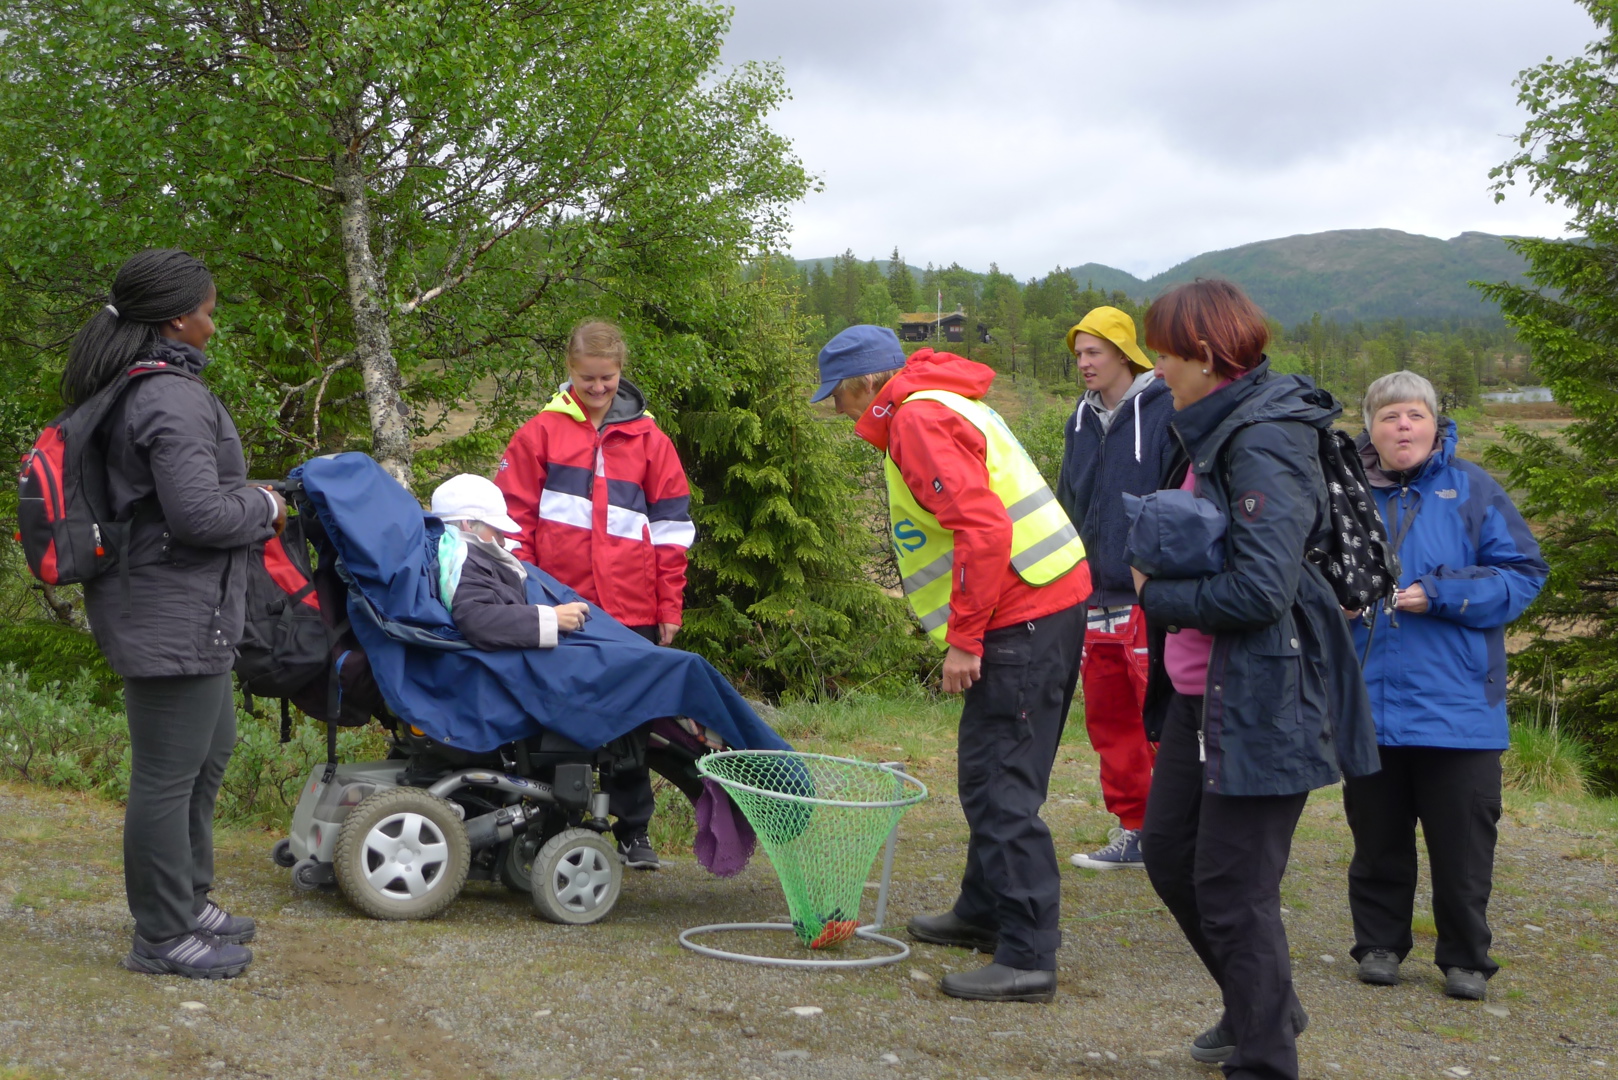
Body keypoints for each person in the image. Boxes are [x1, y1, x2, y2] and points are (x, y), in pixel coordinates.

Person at [1131, 280, 1380, 1078]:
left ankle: (1266, 1057)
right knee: (1170, 856)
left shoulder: (1263, 438)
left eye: (1166, 354)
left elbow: (1260, 592)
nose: (1157, 368)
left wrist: (1154, 595)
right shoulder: (1210, 424)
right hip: (1200, 696)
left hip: (1261, 699)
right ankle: (1262, 1005)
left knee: (1234, 889)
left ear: (1206, 355)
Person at [811, 325, 1092, 1004]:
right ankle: (983, 909)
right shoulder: (936, 401)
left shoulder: (916, 418)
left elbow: (983, 528)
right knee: (991, 769)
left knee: (1000, 782)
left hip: (1020, 611)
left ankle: (1026, 955)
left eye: (839, 396)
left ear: (866, 383)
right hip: (1039, 600)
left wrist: (966, 638)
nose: (839, 410)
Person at [69, 249, 286, 979]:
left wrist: (247, 498)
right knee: (166, 777)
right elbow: (199, 516)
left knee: (209, 752)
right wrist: (267, 505)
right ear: (176, 319)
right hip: (169, 609)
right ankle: (161, 935)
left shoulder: (152, 387)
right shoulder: (167, 396)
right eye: (208, 312)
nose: (213, 326)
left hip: (187, 605)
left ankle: (188, 898)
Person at [1345, 371, 1546, 1002]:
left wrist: (1439, 593)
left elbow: (1523, 574)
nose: (1403, 426)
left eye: (1415, 415)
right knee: (1376, 838)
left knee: (1462, 847)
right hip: (1369, 701)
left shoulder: (1473, 488)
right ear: (1371, 429)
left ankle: (1465, 958)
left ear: (1435, 425)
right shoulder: (1345, 494)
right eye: (1389, 416)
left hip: (1459, 707)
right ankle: (1379, 945)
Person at [496, 319, 695, 870]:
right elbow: (513, 524)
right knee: (556, 719)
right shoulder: (539, 434)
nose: (599, 387)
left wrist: (668, 607)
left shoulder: (652, 441)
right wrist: (528, 596)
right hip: (558, 606)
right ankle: (551, 827)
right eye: (588, 378)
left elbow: (673, 533)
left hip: (633, 608)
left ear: (621, 371)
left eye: (607, 378)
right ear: (570, 370)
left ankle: (634, 832)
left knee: (631, 724)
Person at [1056, 306, 1174, 870]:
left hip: (1150, 597)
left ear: (1124, 353)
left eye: (1094, 352)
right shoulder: (1079, 420)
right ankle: (1135, 830)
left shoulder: (1166, 410)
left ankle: (1178, 829)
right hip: (1092, 595)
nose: (1084, 363)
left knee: (1161, 720)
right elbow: (1068, 501)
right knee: (1109, 721)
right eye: (1078, 354)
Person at [429, 474, 591, 649]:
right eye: (498, 531)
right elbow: (477, 618)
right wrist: (552, 619)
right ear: (468, 525)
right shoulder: (459, 561)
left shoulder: (451, 554)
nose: (502, 541)